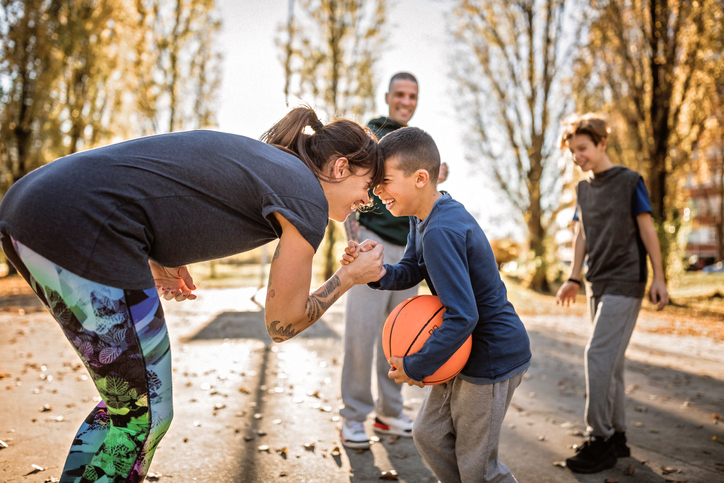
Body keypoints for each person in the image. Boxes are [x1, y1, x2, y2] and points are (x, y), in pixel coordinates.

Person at [0, 106, 386, 483]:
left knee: (127, 408)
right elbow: (282, 323)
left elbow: (160, 185)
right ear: (340, 168)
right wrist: (350, 276)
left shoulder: (272, 165)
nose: (365, 204)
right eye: (367, 189)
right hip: (86, 222)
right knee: (146, 414)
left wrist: (160, 251)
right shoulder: (306, 195)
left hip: (30, 206)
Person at [343, 127, 531, 482]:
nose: (377, 191)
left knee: (478, 468)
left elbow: (463, 316)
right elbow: (412, 269)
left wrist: (415, 366)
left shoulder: (441, 230)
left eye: (384, 181)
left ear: (420, 178)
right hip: (460, 350)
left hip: (491, 355)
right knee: (428, 435)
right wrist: (375, 271)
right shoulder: (423, 215)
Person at [555, 114, 669, 474]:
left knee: (597, 355)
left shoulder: (630, 181)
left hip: (626, 279)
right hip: (597, 281)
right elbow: (582, 235)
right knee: (612, 363)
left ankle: (599, 439)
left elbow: (647, 230)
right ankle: (617, 436)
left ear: (602, 143)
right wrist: (574, 276)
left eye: (583, 149)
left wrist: (660, 278)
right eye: (573, 152)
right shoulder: (583, 190)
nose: (578, 157)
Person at [339, 72, 448, 449]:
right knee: (361, 333)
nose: (405, 100)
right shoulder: (373, 134)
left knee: (400, 335)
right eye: (399, 94)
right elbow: (354, 184)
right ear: (387, 96)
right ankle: (353, 416)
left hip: (409, 248)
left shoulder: (417, 144)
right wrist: (355, 242)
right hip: (371, 240)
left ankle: (389, 412)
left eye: (412, 95)